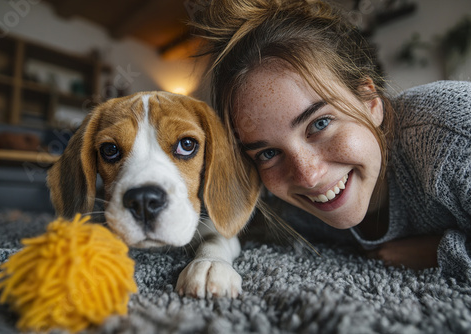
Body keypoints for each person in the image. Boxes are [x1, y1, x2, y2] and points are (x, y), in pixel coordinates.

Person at [191, 0, 471, 282]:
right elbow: (211, 220)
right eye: (269, 152)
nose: (308, 176)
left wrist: (441, 253)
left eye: (320, 124)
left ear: (370, 101)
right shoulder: (282, 204)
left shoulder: (451, 130)